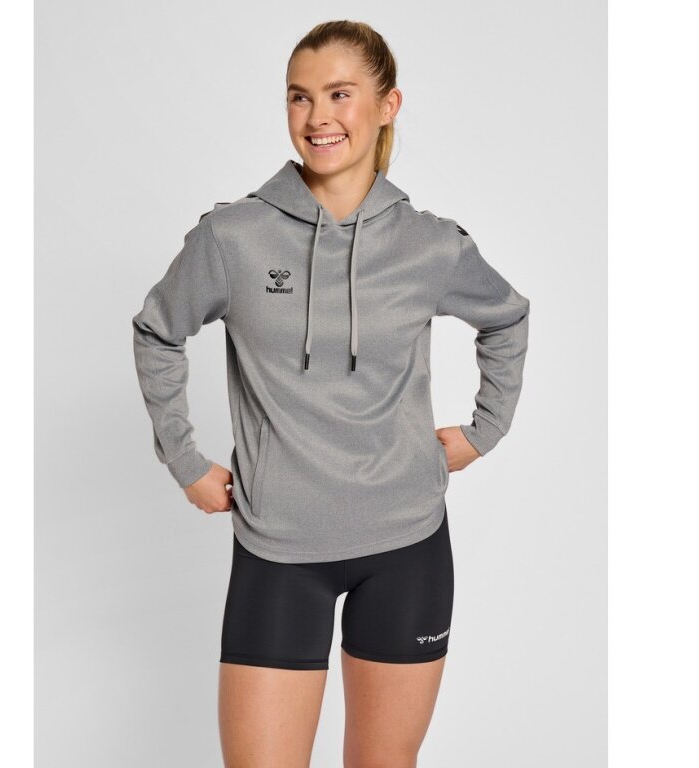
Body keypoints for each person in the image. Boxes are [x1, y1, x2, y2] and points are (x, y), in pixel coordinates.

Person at [132, 19, 530, 768]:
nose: (317, 117)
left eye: (340, 94)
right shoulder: (234, 237)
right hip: (276, 547)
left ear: (387, 105)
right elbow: (158, 330)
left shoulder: (429, 244)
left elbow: (506, 317)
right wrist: (184, 461)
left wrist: (484, 430)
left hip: (407, 546)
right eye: (299, 97)